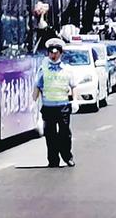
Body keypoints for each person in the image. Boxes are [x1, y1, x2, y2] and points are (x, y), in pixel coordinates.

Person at [33, 38, 78, 167]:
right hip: (48, 107)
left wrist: (74, 101)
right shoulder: (43, 69)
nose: (53, 55)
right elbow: (37, 86)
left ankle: (67, 156)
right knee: (50, 135)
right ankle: (53, 160)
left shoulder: (67, 69)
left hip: (63, 106)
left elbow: (73, 86)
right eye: (51, 53)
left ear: (61, 53)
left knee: (64, 134)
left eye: (56, 53)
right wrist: (33, 103)